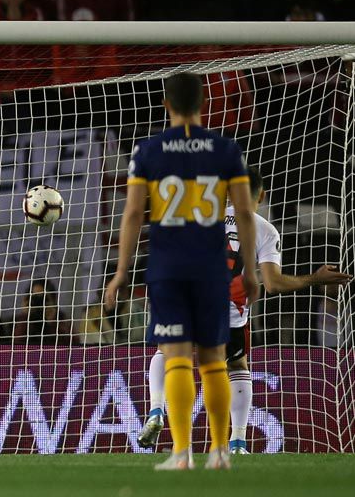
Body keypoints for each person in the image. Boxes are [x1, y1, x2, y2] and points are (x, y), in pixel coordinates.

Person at [104, 72, 259, 470]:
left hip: (169, 266)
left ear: (166, 104)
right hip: (211, 269)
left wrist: (121, 271)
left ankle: (181, 453)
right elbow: (243, 211)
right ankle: (222, 452)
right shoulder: (226, 150)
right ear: (203, 103)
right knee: (213, 361)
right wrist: (253, 271)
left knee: (176, 358)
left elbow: (135, 212)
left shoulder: (149, 150)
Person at [138, 167, 351, 454]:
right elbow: (274, 283)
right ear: (261, 196)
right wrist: (314, 278)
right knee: (237, 367)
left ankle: (155, 411)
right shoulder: (264, 229)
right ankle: (237, 441)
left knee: (166, 352)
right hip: (230, 312)